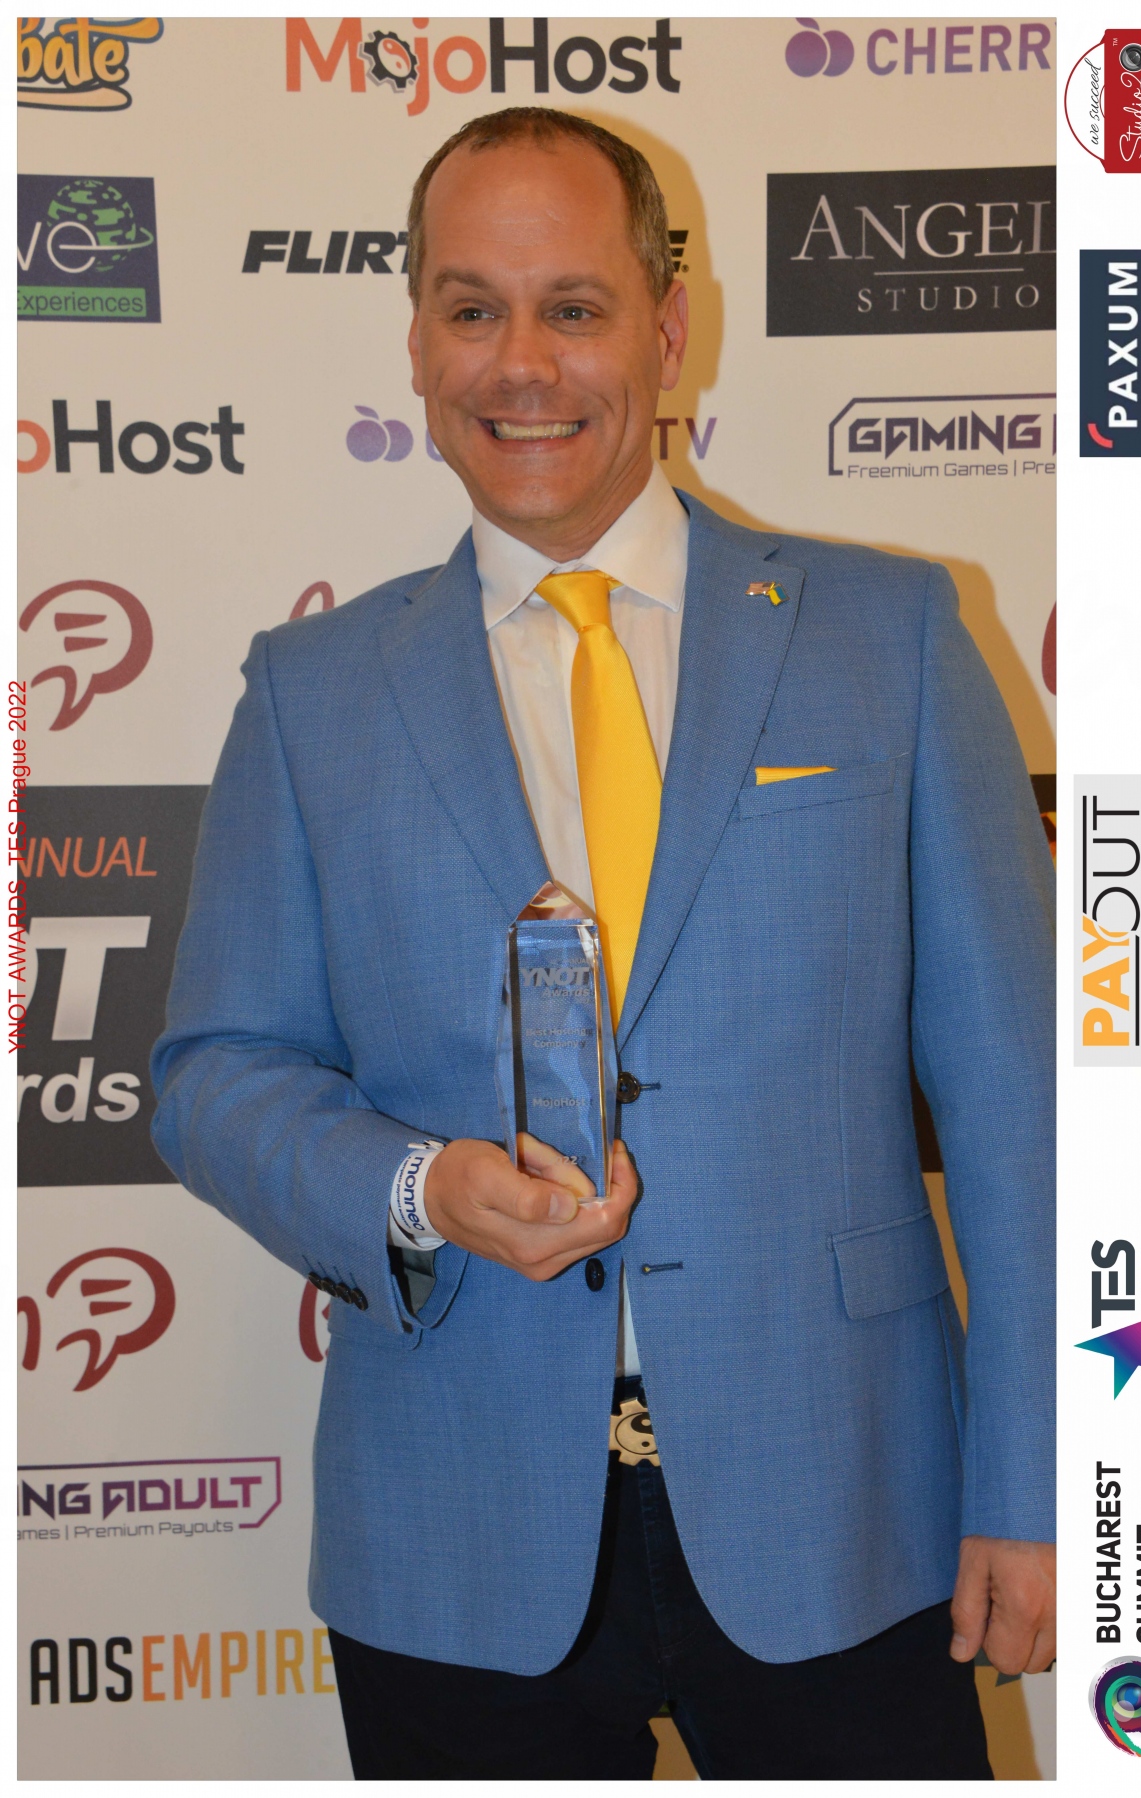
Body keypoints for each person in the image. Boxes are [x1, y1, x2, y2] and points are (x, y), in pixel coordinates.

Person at [151, 108, 1055, 1780]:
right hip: (453, 1527)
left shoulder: (895, 637)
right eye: (472, 308)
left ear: (667, 328)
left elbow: (1018, 1101)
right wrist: (419, 1188)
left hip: (851, 1505)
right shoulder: (310, 694)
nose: (524, 364)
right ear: (416, 345)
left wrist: (1038, 1479)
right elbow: (214, 1074)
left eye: (573, 307)